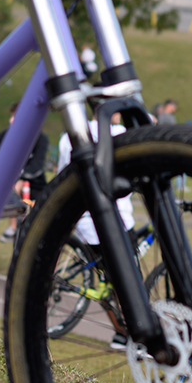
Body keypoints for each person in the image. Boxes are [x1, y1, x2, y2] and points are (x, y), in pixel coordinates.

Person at [57, 114, 136, 349]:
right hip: (118, 218)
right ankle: (131, 333)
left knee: (106, 280)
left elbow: (63, 177)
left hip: (86, 221)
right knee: (128, 281)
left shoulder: (67, 138)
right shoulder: (120, 133)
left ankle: (120, 332)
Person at [0, 101, 48, 242]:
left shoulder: (40, 138)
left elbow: (37, 166)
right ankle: (13, 227)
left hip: (34, 181)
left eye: (16, 116)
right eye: (12, 116)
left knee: (18, 188)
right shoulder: (5, 135)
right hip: (11, 180)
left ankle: (25, 228)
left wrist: (20, 177)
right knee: (11, 188)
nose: (11, 120)